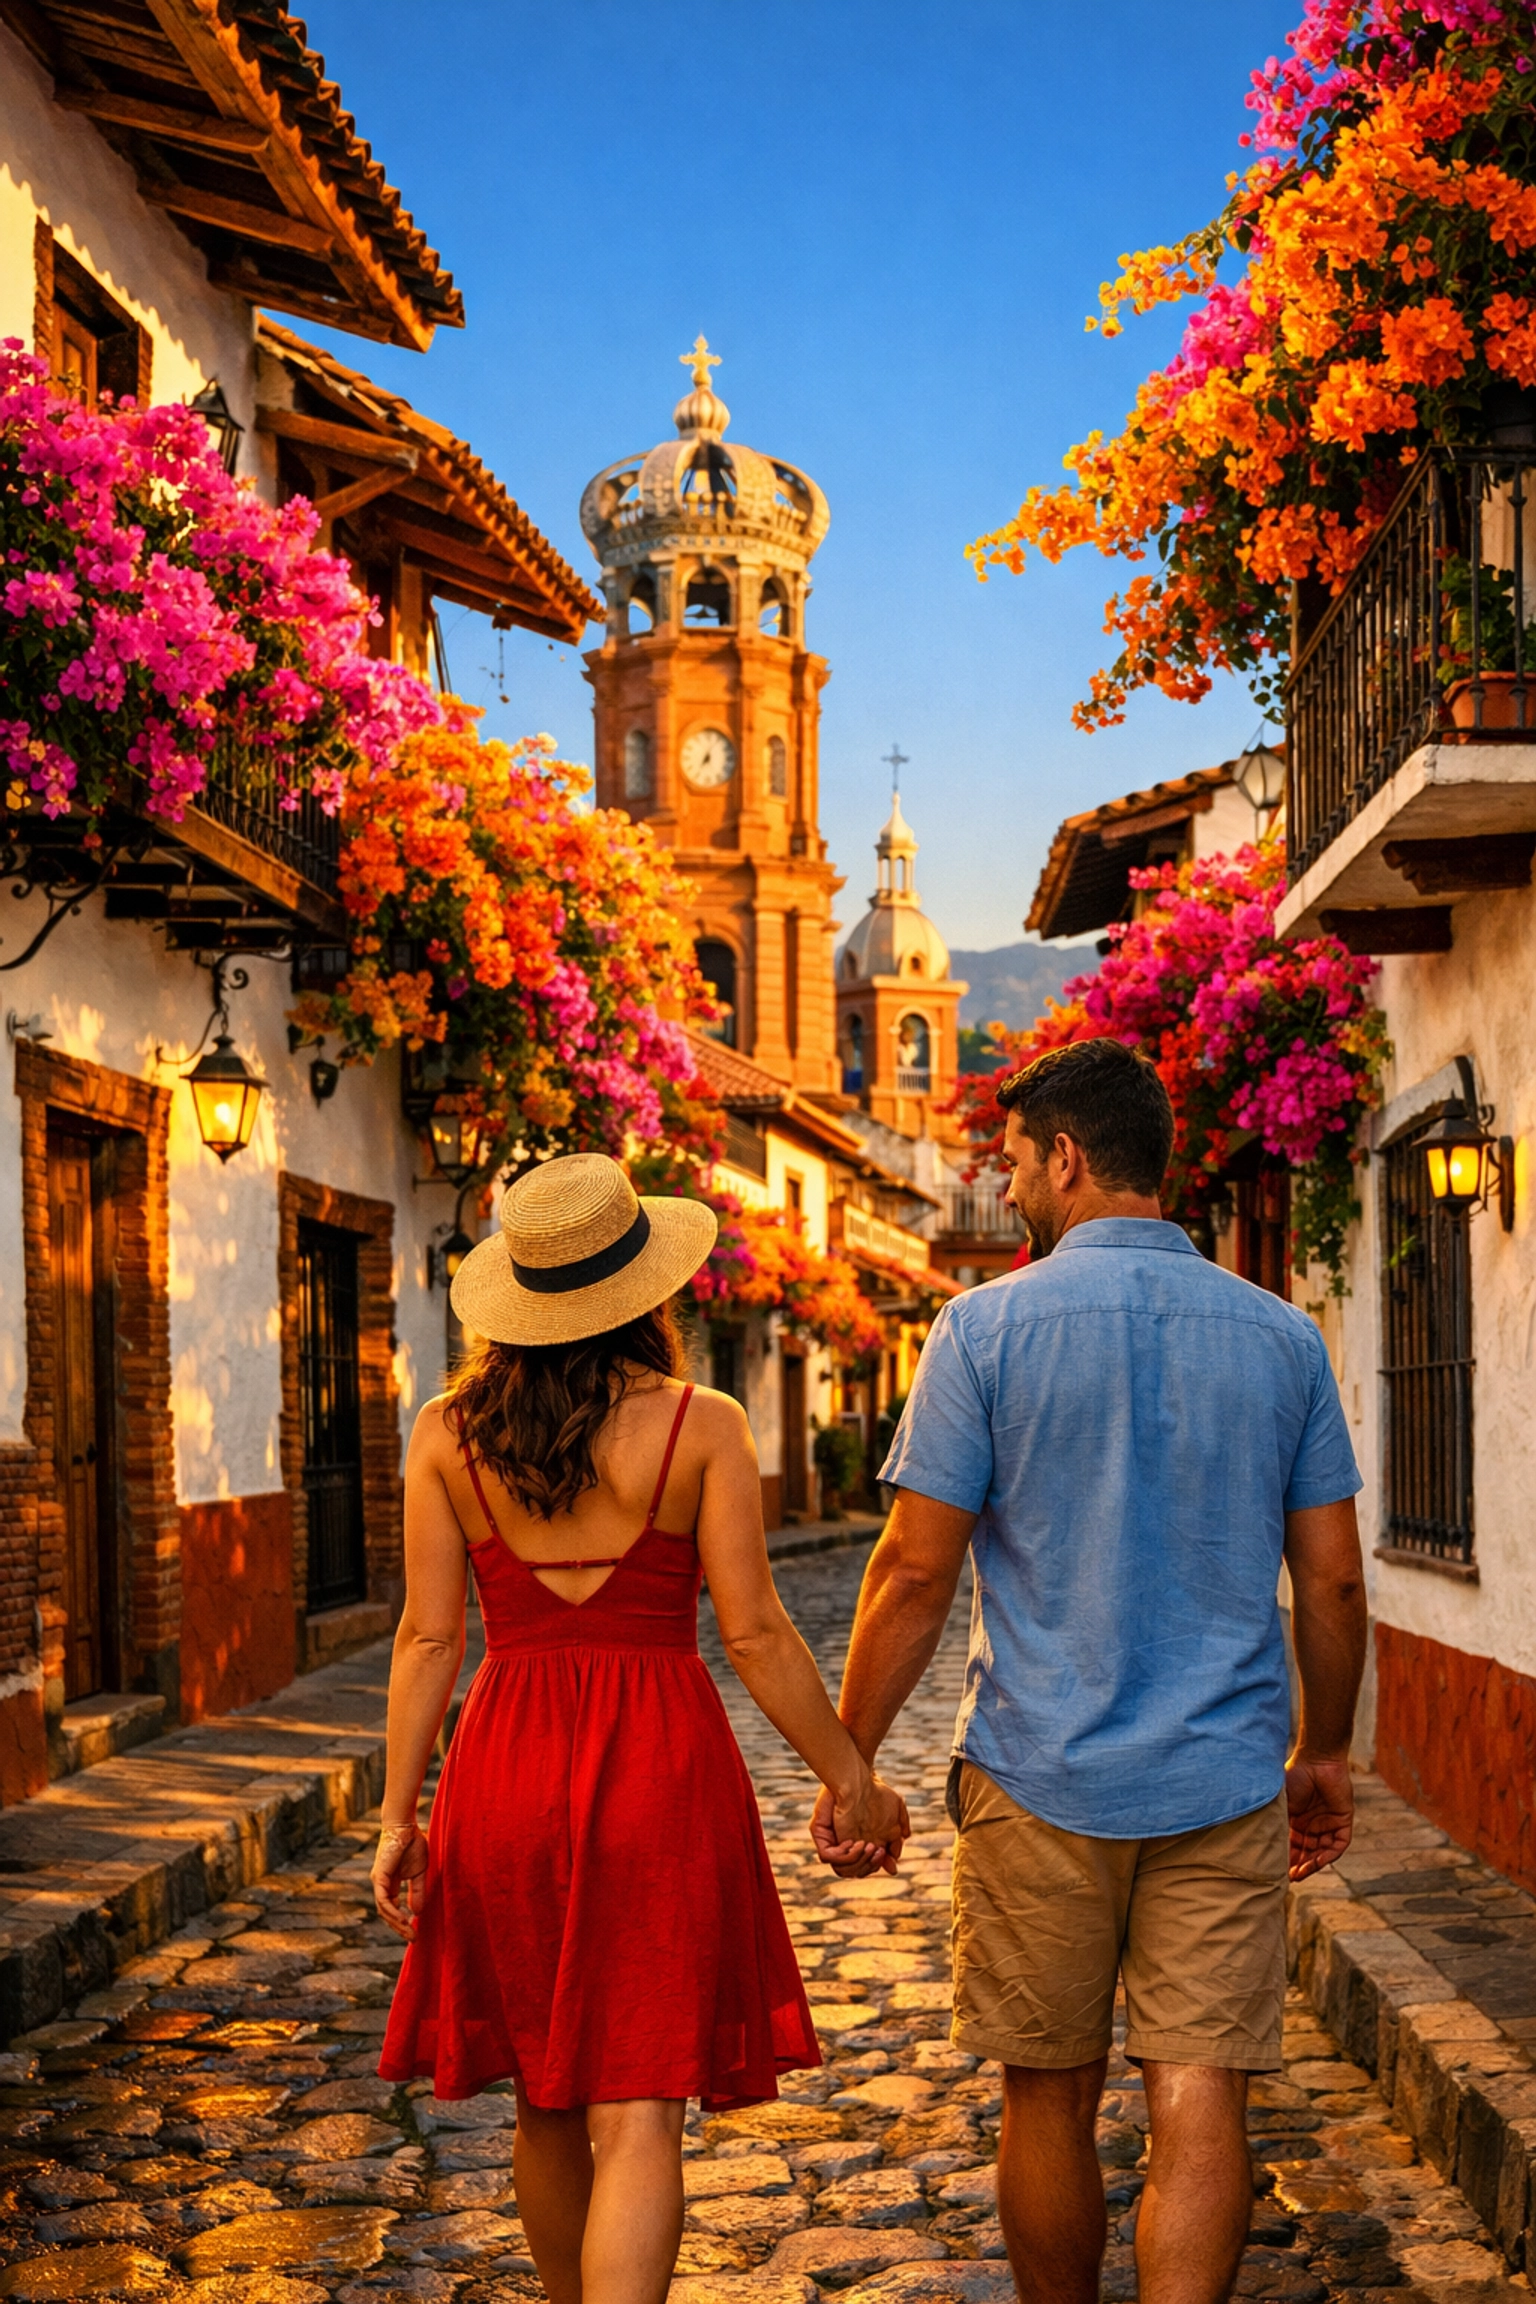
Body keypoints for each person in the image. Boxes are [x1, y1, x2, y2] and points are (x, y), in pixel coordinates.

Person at [815, 1038, 1366, 2304]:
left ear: (1066, 1156)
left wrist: (852, 1765)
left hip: (1035, 1774)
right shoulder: (1283, 1340)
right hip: (1224, 1784)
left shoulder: (981, 1331)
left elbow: (910, 1574)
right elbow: (1332, 1580)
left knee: (1047, 2094)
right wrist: (1320, 1753)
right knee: (1200, 2093)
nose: (1005, 1189)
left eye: (1013, 1161)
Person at [373, 1152, 907, 2304]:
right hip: (658, 1771)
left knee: (544, 2093)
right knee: (642, 2116)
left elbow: (427, 1643)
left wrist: (396, 1817)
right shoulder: (702, 1427)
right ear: (644, 1290)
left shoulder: (443, 1435)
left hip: (504, 1769)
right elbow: (758, 1635)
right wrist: (851, 1777)